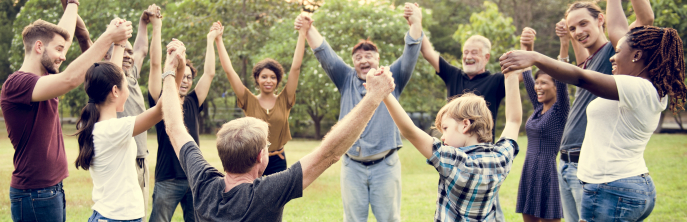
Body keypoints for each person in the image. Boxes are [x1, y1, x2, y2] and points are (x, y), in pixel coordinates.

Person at [500, 1, 681, 220]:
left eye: (619, 51)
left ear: (637, 55)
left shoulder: (638, 87)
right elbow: (614, 33)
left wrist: (535, 56)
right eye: (572, 28)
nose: (614, 55)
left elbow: (580, 77)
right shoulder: (635, 85)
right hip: (620, 182)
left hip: (613, 185)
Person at [160, 65, 396, 221]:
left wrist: (169, 70)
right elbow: (330, 153)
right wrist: (374, 97)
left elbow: (174, 128)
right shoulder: (266, 194)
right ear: (260, 158)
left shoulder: (203, 184)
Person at [1, 1, 132, 220]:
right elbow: (71, 78)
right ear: (39, 47)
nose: (64, 55)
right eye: (59, 50)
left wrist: (72, 5)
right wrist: (109, 37)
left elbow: (63, 37)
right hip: (34, 194)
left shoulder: (45, 77)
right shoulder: (18, 83)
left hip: (50, 190)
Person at [529, 1, 654, 221]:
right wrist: (565, 40)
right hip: (567, 162)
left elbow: (645, 20)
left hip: (587, 166)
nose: (578, 31)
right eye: (573, 27)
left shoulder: (613, 54)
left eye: (583, 23)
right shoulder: (589, 62)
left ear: (600, 20)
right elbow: (575, 68)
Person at [299, 3, 423, 220]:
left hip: (385, 165)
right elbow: (324, 53)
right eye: (358, 57)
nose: (364, 60)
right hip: (351, 167)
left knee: (389, 219)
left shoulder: (392, 77)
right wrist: (308, 28)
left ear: (378, 58)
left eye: (369, 55)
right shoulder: (345, 78)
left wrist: (416, 23)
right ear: (353, 62)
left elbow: (411, 51)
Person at [381, 63, 522, 221]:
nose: (442, 137)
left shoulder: (454, 161)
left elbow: (410, 132)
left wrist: (385, 93)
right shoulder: (500, 158)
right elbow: (513, 121)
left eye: (446, 128)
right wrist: (512, 76)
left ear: (465, 125)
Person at [72, 42, 181, 221]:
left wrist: (120, 43)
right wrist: (172, 69)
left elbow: (110, 72)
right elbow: (162, 109)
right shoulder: (113, 130)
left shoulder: (98, 126)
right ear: (115, 90)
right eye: (125, 85)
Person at [213, 17, 306, 175]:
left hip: (278, 161)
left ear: (278, 80)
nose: (268, 80)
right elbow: (229, 71)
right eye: (264, 77)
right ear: (257, 79)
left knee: (277, 200)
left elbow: (295, 68)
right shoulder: (248, 100)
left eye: (273, 77)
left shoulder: (285, 99)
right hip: (252, 160)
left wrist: (302, 33)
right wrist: (219, 40)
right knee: (253, 199)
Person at [147, 36, 215, 221]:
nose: (185, 81)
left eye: (189, 77)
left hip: (194, 177)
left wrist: (210, 39)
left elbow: (209, 73)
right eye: (181, 76)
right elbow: (154, 66)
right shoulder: (161, 100)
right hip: (167, 178)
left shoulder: (193, 101)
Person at [514, 28, 569, 222]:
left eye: (544, 83)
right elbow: (527, 75)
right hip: (529, 169)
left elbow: (562, 76)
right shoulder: (539, 108)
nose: (538, 87)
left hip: (547, 171)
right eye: (538, 83)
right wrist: (526, 47)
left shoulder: (560, 110)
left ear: (555, 87)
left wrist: (564, 43)